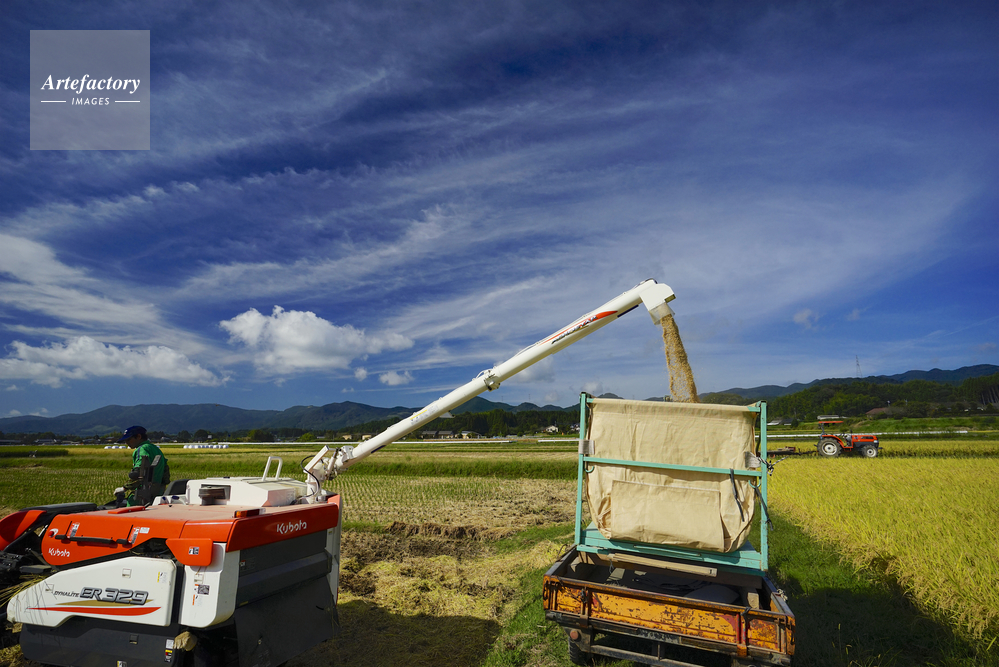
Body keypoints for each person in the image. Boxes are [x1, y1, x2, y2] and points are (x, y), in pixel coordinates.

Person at [115, 425, 170, 506]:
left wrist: (124, 488)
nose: (126, 443)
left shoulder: (141, 449)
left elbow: (138, 473)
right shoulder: (156, 449)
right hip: (157, 495)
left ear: (138, 437)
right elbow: (166, 473)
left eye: (128, 439)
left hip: (141, 496)